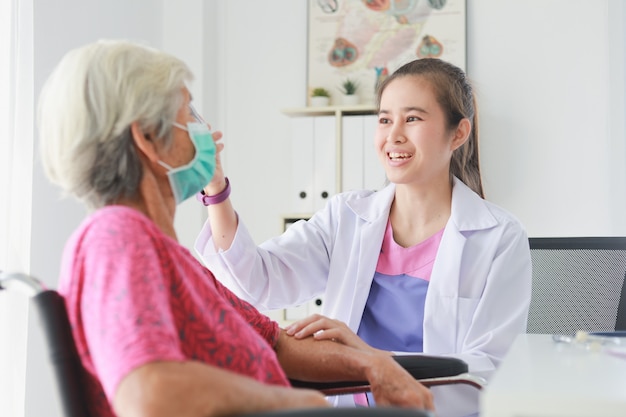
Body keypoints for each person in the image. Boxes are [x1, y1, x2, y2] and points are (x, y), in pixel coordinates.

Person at [37, 39, 435, 417]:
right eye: (188, 113)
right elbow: (150, 395)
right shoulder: (116, 236)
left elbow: (277, 344)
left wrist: (373, 365)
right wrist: (291, 403)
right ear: (147, 137)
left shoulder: (167, 254)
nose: (203, 128)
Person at [195, 58, 533, 417]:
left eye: (413, 118)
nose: (394, 135)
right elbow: (256, 282)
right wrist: (216, 188)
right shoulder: (347, 217)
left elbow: (489, 369)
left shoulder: (499, 237)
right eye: (385, 119)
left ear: (458, 133)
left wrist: (364, 357)